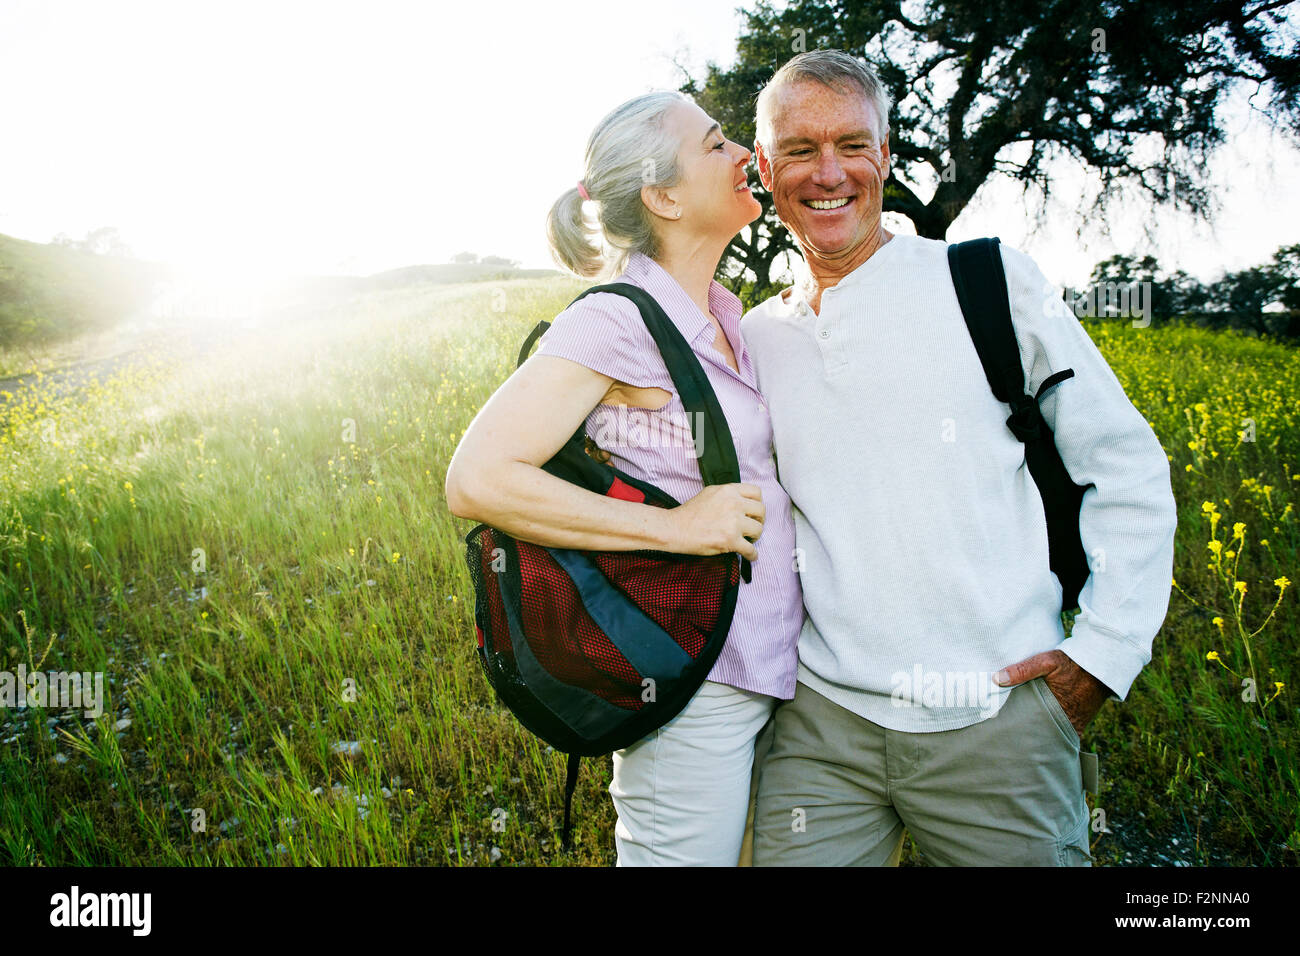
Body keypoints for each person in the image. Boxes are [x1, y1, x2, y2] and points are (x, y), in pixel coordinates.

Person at [741, 50, 1178, 866]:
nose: (827, 172)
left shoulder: (986, 281)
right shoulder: (757, 337)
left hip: (999, 720)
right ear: (765, 169)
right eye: (799, 150)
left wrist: (1103, 656)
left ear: (887, 155)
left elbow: (1125, 467)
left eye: (852, 144)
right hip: (820, 728)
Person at [444, 90, 802, 866]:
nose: (745, 152)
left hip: (774, 672)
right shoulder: (615, 318)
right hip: (696, 680)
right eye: (715, 144)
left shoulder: (724, 313)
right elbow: (477, 479)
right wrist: (676, 527)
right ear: (662, 195)